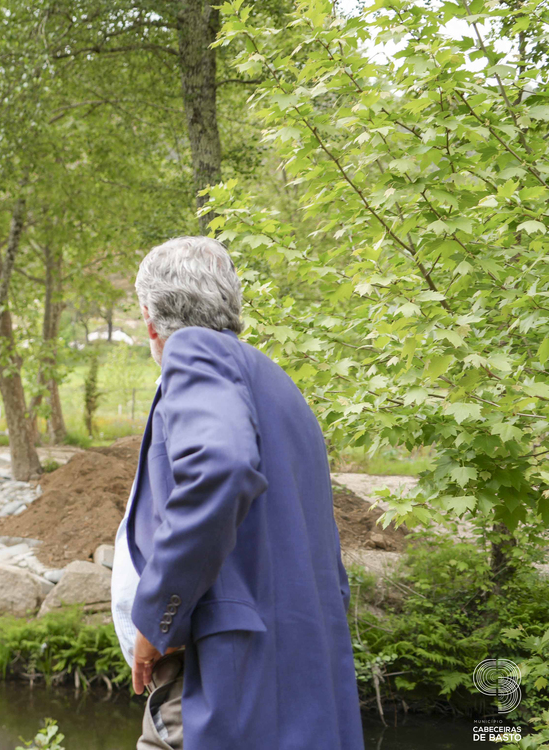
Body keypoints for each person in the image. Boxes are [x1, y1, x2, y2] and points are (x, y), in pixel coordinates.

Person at [111, 236, 363, 749]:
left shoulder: (195, 351)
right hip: (289, 675)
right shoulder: (276, 384)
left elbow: (220, 467)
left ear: (149, 318)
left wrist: (158, 618)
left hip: (216, 680)